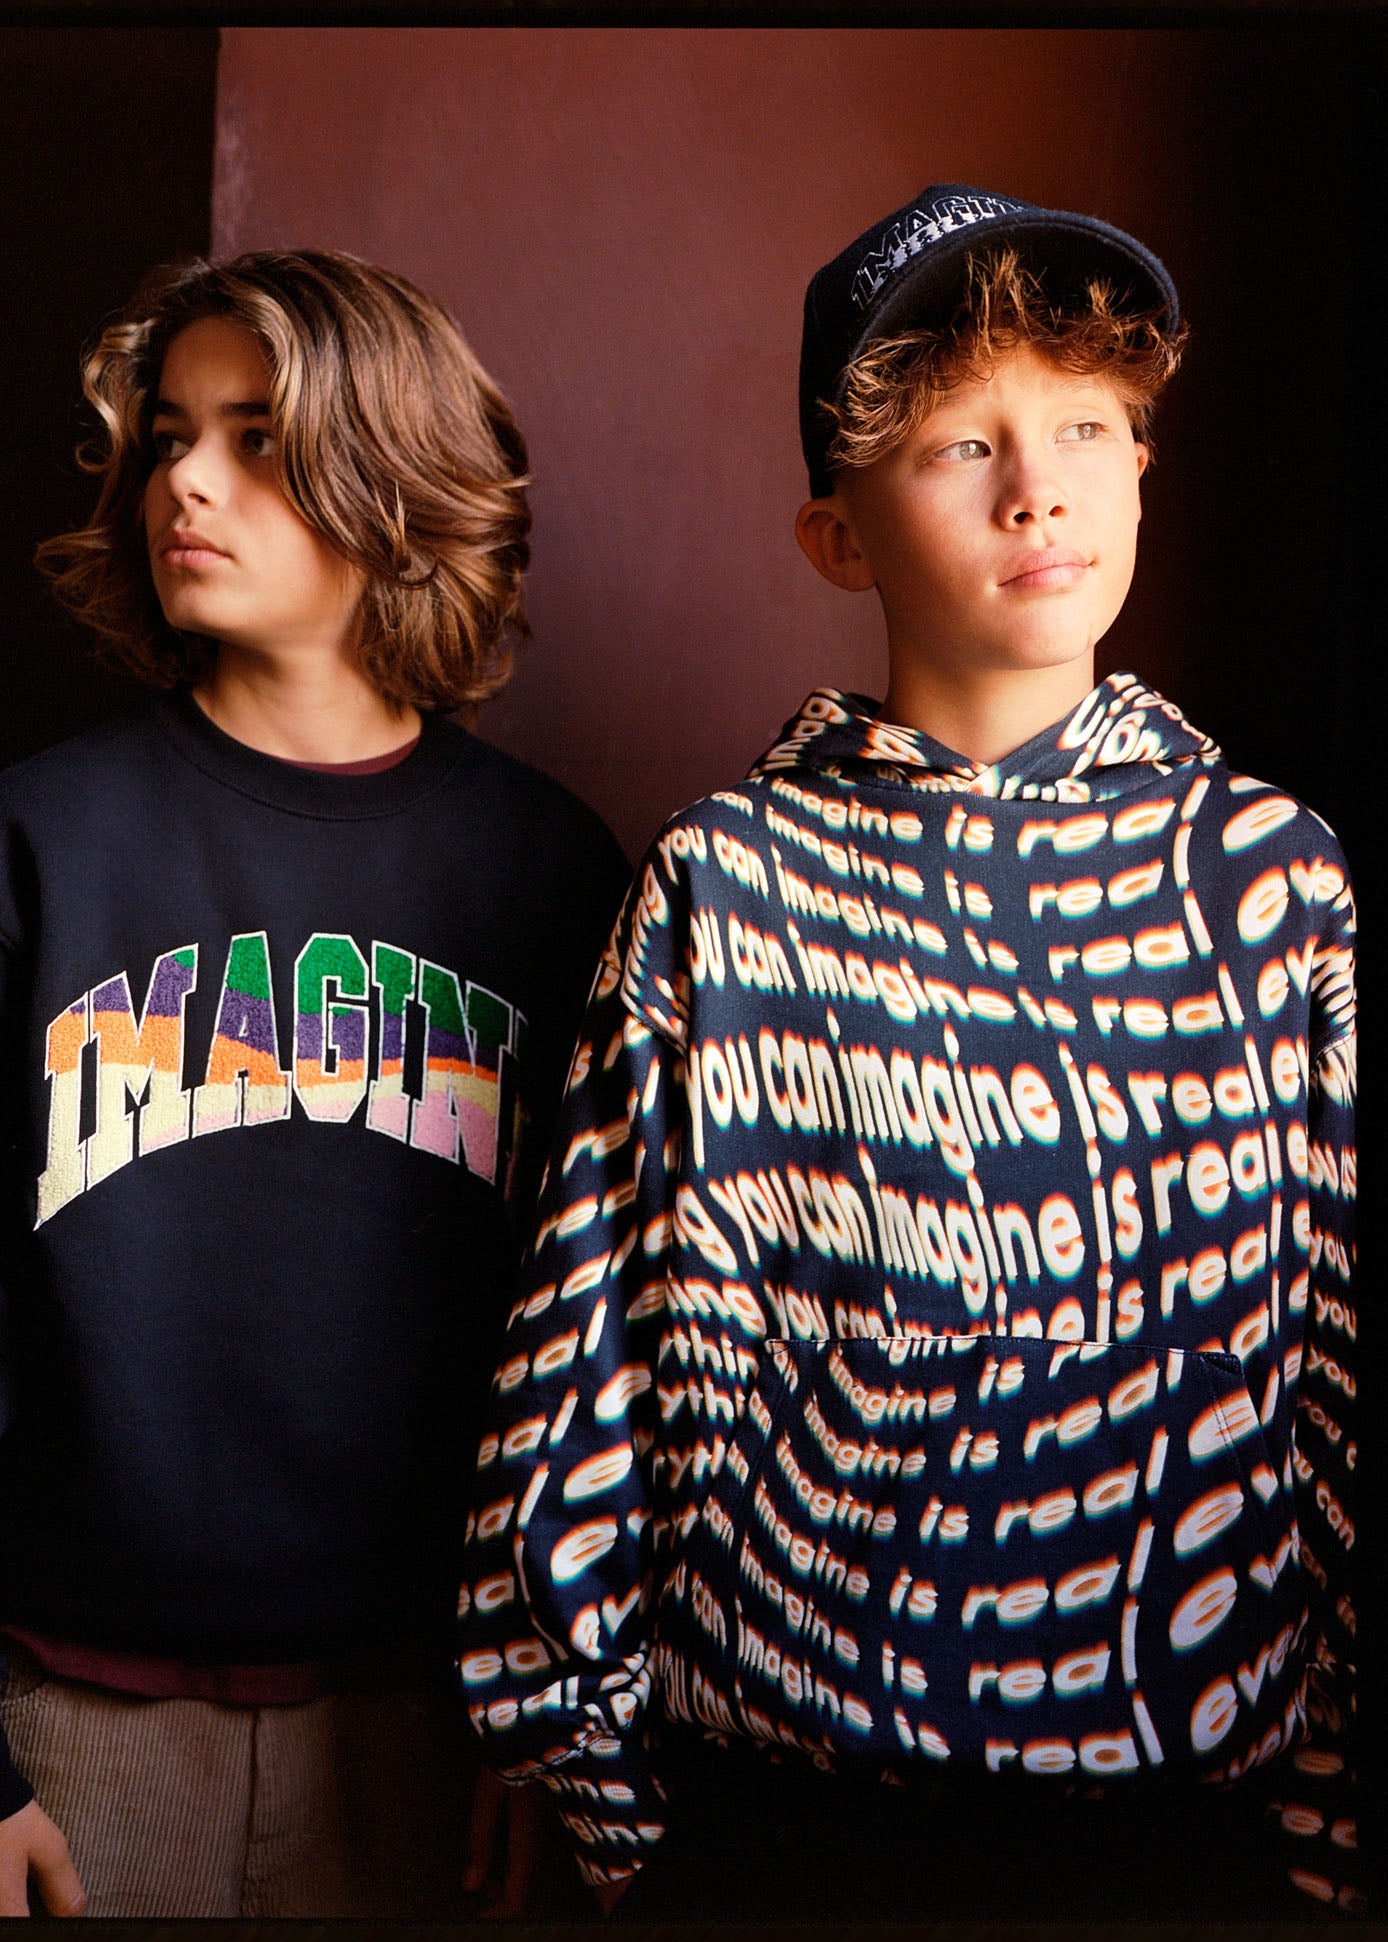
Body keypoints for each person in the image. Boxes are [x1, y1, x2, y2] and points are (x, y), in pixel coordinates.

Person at [458, 185, 1363, 1920]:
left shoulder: (1277, 880)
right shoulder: (726, 881)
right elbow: (583, 1374)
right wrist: (630, 1832)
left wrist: (1322, 1836)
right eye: (960, 445)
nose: (1038, 488)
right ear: (838, 537)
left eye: (1084, 427)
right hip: (792, 1828)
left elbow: (1332, 1367)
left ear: (1143, 466)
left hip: (1184, 1837)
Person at [0, 247, 629, 1918]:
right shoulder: (41, 839)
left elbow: (593, 1349)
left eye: (257, 438)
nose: (185, 481)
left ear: (391, 474)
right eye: (170, 435)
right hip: (71, 1711)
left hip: (427, 1722)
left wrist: (543, 1709)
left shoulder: (555, 874)